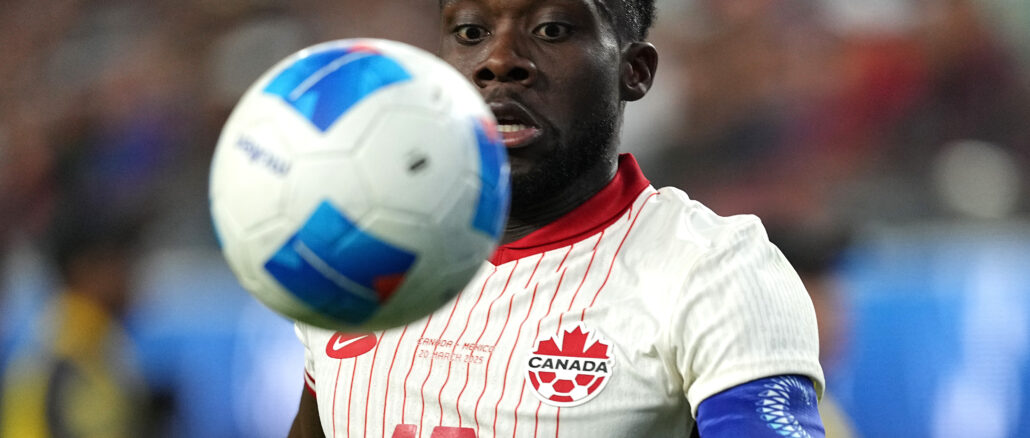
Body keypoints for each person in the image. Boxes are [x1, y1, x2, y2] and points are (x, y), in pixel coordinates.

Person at [290, 0, 825, 436]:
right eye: (471, 31)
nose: (499, 60)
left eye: (551, 29)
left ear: (633, 72)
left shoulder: (715, 271)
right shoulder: (357, 250)